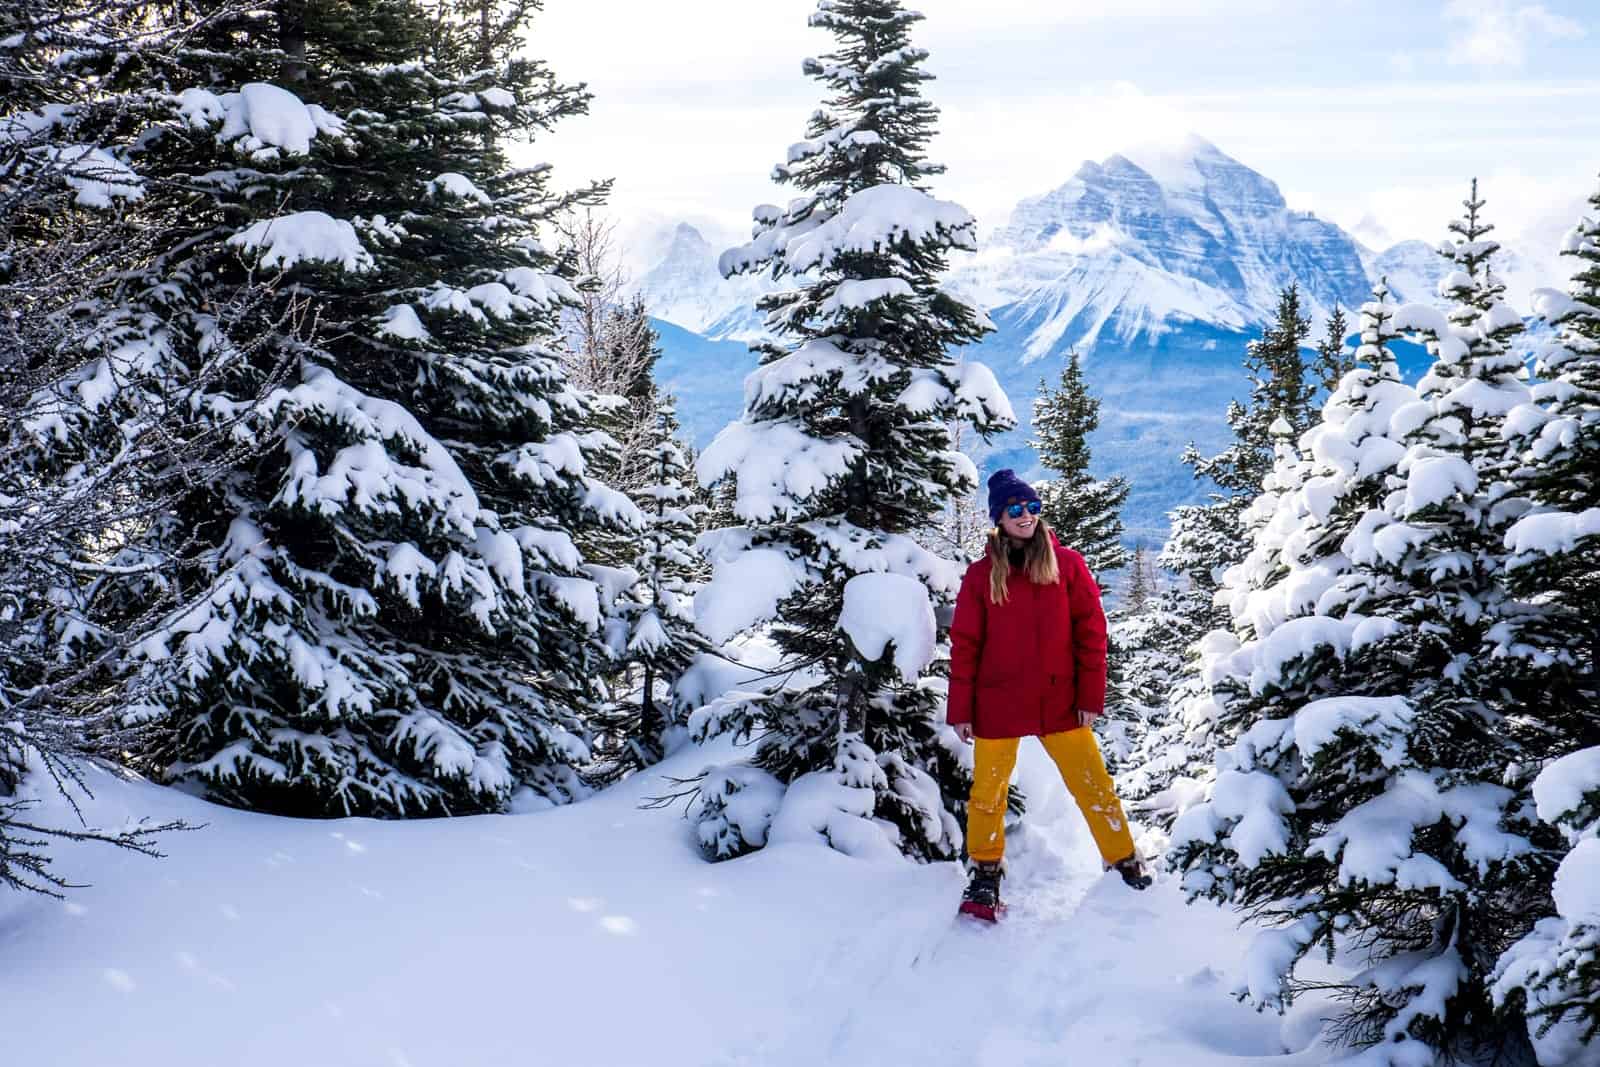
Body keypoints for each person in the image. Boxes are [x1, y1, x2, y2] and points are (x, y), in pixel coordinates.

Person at [948, 469, 1151, 919]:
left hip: (1059, 700)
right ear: (999, 518)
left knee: (1093, 785)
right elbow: (965, 643)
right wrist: (961, 709)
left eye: (1033, 508)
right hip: (997, 701)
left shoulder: (1068, 565)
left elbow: (1091, 633)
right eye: (1016, 510)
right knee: (988, 793)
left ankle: (1123, 859)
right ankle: (985, 870)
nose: (1026, 517)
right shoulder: (982, 575)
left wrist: (1090, 697)